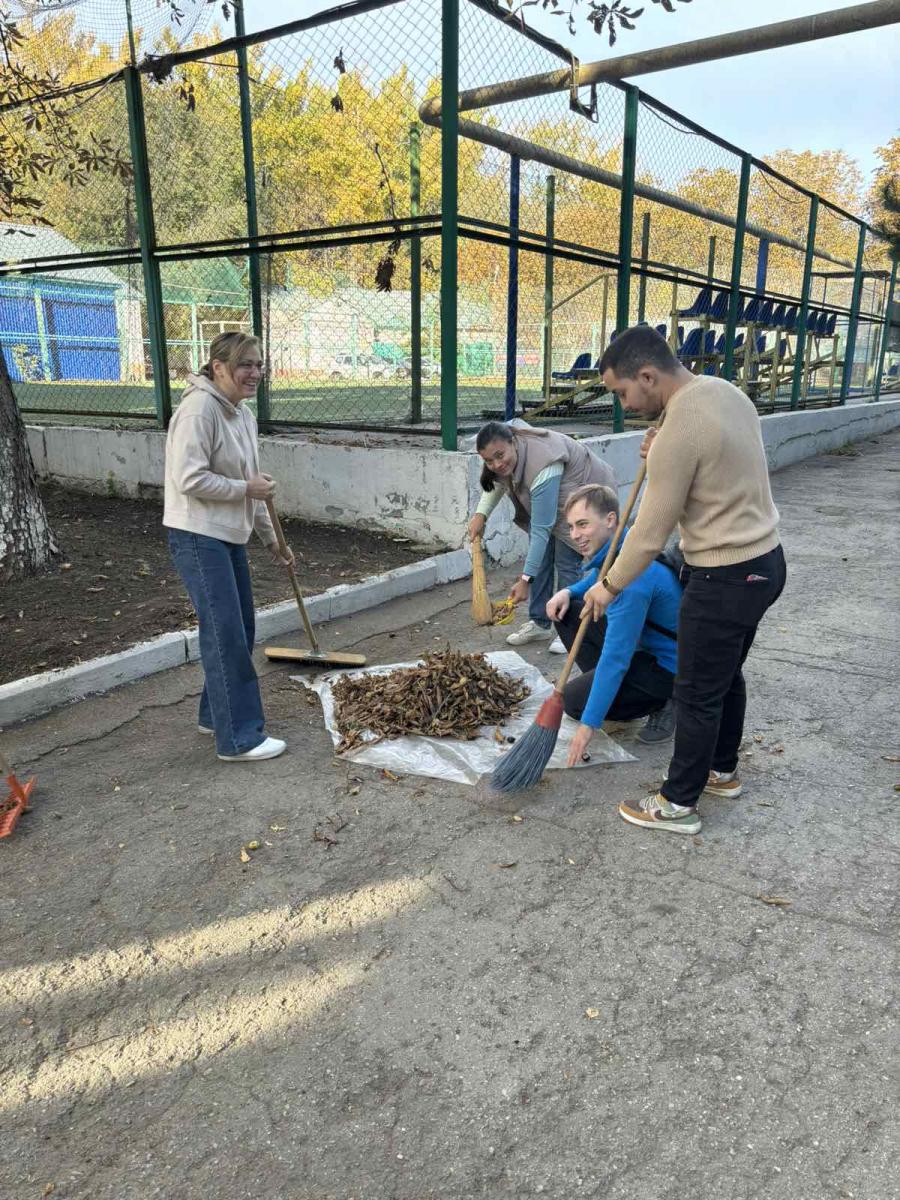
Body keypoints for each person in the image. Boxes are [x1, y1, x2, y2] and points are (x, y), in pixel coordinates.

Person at [581, 325, 786, 835]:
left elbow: (649, 534)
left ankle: (677, 804)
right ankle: (722, 770)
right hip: (765, 562)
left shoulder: (680, 430)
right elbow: (715, 459)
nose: (623, 404)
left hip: (724, 574)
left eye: (623, 392)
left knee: (695, 690)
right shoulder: (722, 392)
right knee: (725, 675)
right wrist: (666, 437)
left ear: (647, 375)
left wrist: (607, 587)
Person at [164, 331, 293, 763]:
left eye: (258, 364)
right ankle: (239, 738)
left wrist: (273, 541)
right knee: (227, 633)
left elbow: (253, 489)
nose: (255, 372)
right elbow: (189, 478)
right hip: (198, 535)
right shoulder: (199, 410)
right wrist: (245, 487)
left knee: (240, 629)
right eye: (245, 365)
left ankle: (214, 716)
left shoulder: (242, 414)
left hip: (227, 535)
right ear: (218, 368)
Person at [546, 484, 680, 757]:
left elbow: (615, 658)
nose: (575, 535)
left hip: (669, 669)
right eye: (571, 527)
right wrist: (568, 591)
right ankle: (610, 691)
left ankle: (665, 703)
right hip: (645, 648)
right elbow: (601, 575)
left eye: (583, 524)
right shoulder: (630, 546)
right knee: (569, 611)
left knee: (573, 702)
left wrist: (589, 724)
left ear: (610, 520)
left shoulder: (629, 583)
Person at [467, 421, 616, 652]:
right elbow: (498, 482)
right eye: (488, 460)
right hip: (554, 493)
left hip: (583, 488)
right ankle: (540, 622)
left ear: (513, 443)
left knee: (566, 559)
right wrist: (480, 515)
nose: (496, 464)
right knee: (542, 557)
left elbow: (541, 529)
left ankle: (568, 626)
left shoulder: (542, 461)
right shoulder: (504, 455)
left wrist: (525, 581)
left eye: (500, 456)